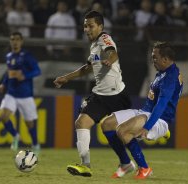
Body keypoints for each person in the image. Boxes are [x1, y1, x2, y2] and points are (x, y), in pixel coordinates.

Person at [53, 10, 131, 177]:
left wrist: (110, 59)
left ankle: (158, 128)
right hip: (101, 96)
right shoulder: (94, 45)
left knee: (131, 134)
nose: (87, 29)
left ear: (100, 26)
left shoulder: (104, 38)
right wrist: (66, 78)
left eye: (91, 26)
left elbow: (112, 52)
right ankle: (85, 165)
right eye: (85, 26)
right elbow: (87, 68)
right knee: (81, 123)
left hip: (117, 96)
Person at [101, 41, 183, 179]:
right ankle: (126, 164)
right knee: (107, 124)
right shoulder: (162, 73)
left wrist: (147, 127)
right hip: (145, 111)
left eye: (155, 57)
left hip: (159, 119)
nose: (153, 61)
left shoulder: (170, 77)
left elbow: (162, 104)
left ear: (165, 59)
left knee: (122, 130)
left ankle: (144, 168)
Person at [0, 32, 41, 155]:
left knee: (29, 124)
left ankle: (36, 144)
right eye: (12, 39)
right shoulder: (9, 56)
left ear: (21, 41)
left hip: (25, 95)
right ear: (10, 41)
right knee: (3, 116)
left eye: (17, 39)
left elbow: (37, 70)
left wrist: (25, 76)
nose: (15, 42)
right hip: (11, 93)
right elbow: (9, 72)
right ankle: (15, 136)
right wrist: (4, 84)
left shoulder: (27, 56)